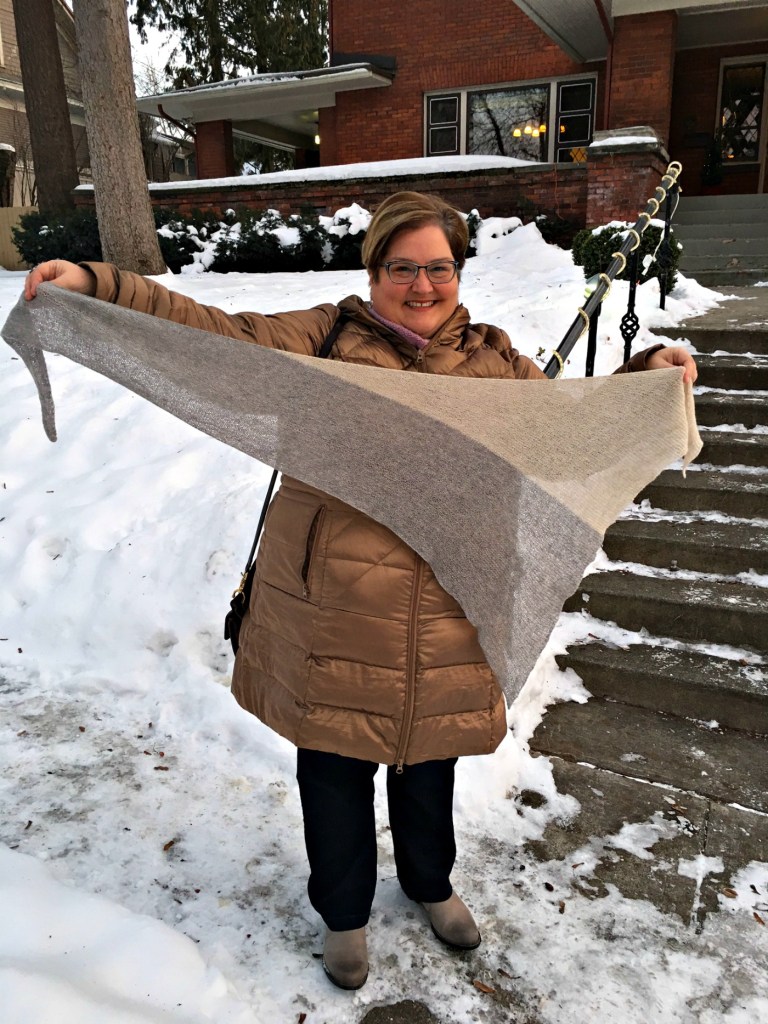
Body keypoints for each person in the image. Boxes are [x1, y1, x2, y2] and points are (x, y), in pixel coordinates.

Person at [25, 191, 697, 990]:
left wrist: (644, 377)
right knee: (335, 771)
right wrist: (100, 286)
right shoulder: (326, 341)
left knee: (430, 761)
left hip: (450, 603)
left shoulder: (493, 361)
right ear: (374, 271)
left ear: (458, 272)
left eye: (438, 268)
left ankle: (429, 884)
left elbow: (569, 433)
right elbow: (211, 331)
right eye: (402, 268)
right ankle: (343, 915)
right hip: (335, 604)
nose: (422, 286)